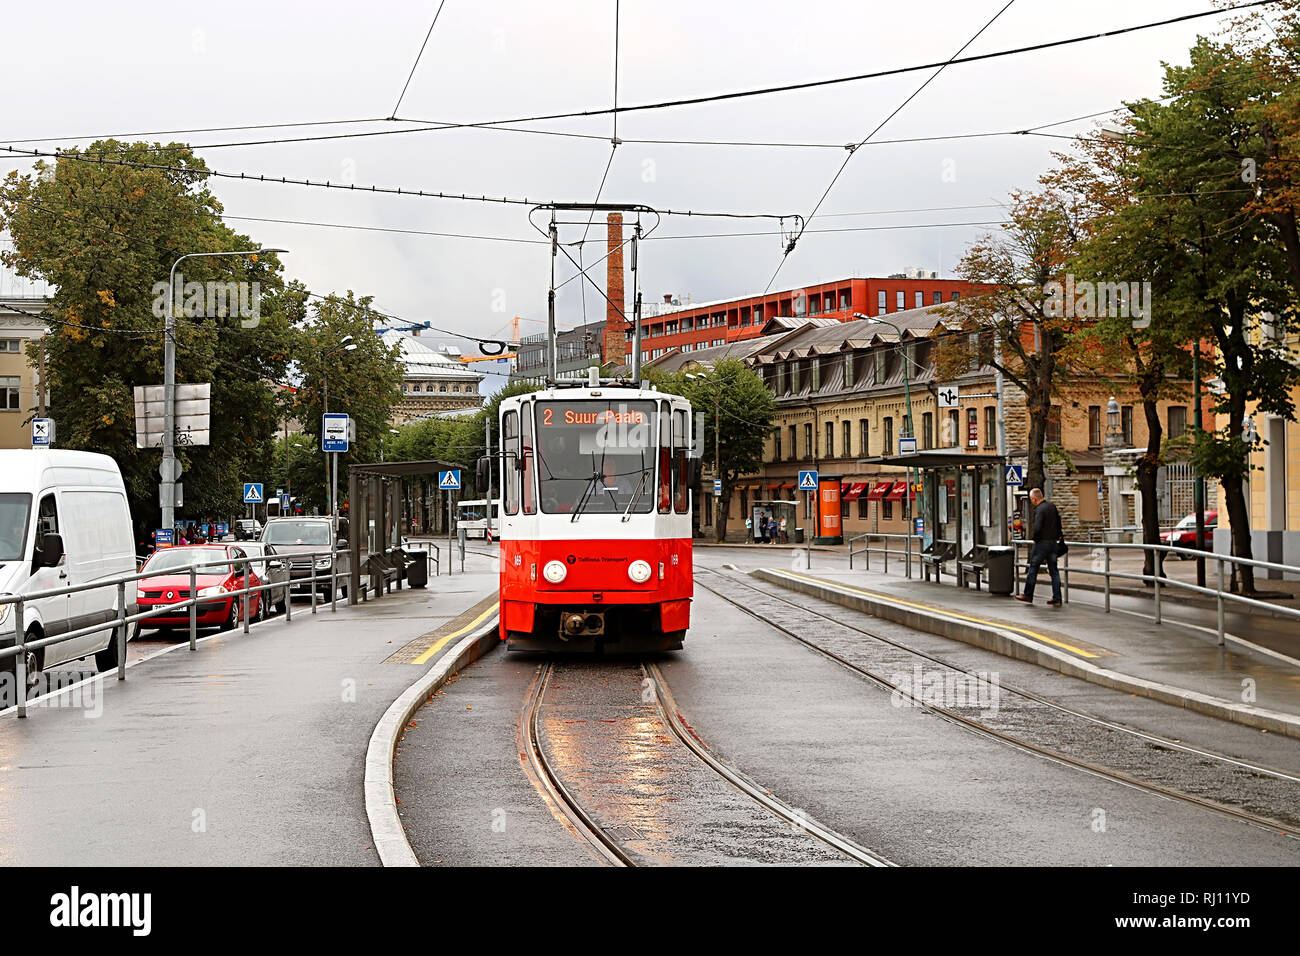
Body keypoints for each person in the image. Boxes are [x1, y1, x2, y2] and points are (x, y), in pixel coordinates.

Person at [1016, 487, 1063, 606]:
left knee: (1033, 568)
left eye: (1032, 500)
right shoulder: (1052, 506)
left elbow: (1037, 527)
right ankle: (1057, 598)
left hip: (1042, 543)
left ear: (1034, 499)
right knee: (1054, 571)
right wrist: (1058, 537)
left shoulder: (1039, 509)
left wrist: (1035, 539)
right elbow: (1058, 523)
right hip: (1053, 543)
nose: (1032, 502)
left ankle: (1028, 595)